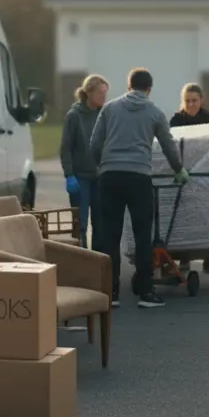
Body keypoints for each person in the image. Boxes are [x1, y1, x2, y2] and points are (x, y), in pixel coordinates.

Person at [90, 67, 189, 309]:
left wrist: (102, 165)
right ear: (149, 89)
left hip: (110, 178)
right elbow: (168, 145)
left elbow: (95, 143)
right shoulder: (154, 112)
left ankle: (111, 292)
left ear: (128, 86)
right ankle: (146, 293)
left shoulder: (110, 108)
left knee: (109, 236)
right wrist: (179, 169)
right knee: (143, 236)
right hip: (138, 178)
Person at [169, 83, 209, 276]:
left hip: (205, 172)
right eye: (187, 101)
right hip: (183, 173)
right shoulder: (176, 120)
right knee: (185, 217)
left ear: (201, 101)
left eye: (194, 101)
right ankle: (185, 260)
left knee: (206, 216)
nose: (191, 104)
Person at [59, 74, 108, 248]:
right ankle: (82, 260)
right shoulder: (74, 116)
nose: (104, 97)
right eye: (100, 93)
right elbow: (66, 147)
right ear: (89, 93)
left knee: (101, 224)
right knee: (80, 224)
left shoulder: (104, 114)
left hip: (100, 177)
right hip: (80, 177)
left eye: (105, 93)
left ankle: (98, 263)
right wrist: (69, 174)